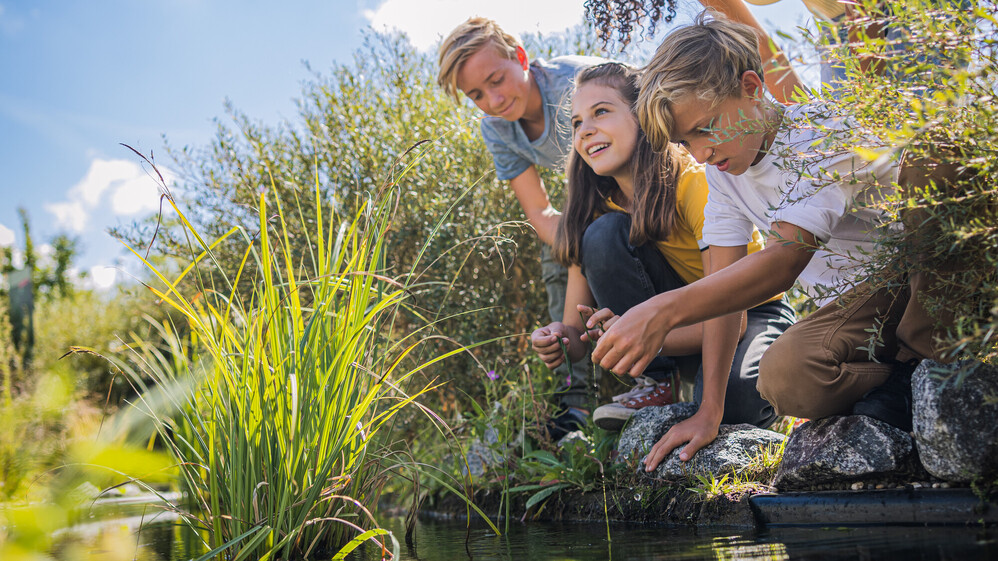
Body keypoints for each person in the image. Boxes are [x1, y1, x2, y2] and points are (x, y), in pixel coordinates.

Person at [588, 12, 957, 471]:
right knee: (784, 379)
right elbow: (723, 290)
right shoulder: (722, 176)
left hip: (915, 284)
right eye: (685, 141)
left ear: (750, 86)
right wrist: (710, 412)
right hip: (859, 314)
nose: (700, 152)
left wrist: (662, 310)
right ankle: (901, 377)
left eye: (706, 127)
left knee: (941, 150)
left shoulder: (819, 133)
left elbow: (782, 262)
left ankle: (933, 359)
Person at [529, 62, 795, 434]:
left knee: (734, 405)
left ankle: (773, 394)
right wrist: (560, 337)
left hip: (751, 311)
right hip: (676, 327)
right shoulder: (592, 211)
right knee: (602, 234)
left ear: (643, 116)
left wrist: (644, 332)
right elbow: (576, 337)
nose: (585, 129)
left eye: (601, 111)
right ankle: (658, 385)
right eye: (576, 123)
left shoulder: (693, 183)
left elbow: (734, 319)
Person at [436, 17, 606, 437]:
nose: (492, 100)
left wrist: (584, 246)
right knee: (559, 255)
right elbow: (540, 213)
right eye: (475, 94)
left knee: (599, 246)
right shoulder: (497, 128)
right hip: (592, 188)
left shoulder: (574, 89)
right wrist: (574, 248)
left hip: (645, 175)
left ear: (522, 58)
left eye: (496, 80)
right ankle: (574, 402)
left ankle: (650, 375)